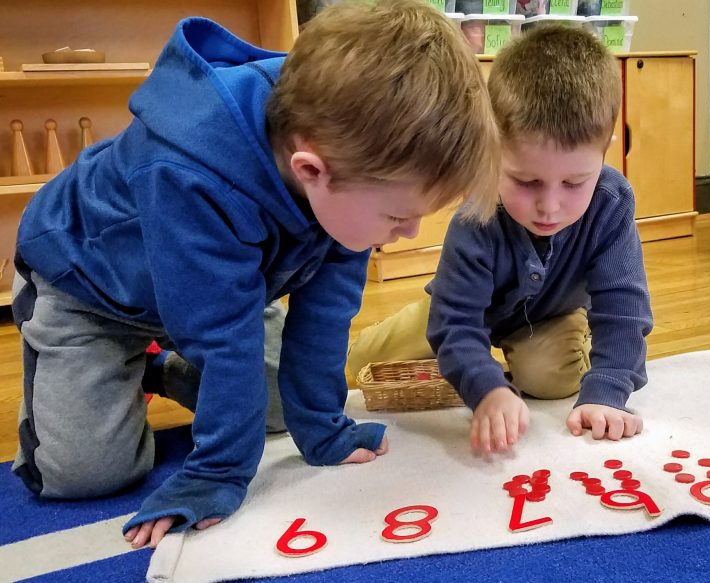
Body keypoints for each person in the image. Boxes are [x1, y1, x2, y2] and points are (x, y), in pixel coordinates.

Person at [11, 0, 498, 549]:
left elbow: (325, 315)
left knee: (279, 412)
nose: (409, 234)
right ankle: (91, 368)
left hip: (224, 290)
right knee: (86, 475)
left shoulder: (353, 159)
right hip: (88, 289)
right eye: (397, 217)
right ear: (311, 171)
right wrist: (216, 474)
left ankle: (155, 370)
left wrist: (323, 428)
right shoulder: (192, 169)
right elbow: (225, 341)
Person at [348, 25, 652, 454]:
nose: (550, 207)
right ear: (492, 149)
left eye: (574, 183)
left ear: (606, 150)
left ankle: (528, 356)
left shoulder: (611, 201)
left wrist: (608, 388)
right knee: (357, 366)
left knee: (551, 379)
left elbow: (623, 308)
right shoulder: (477, 211)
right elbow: (455, 324)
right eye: (527, 182)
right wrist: (487, 388)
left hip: (551, 317)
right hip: (459, 306)